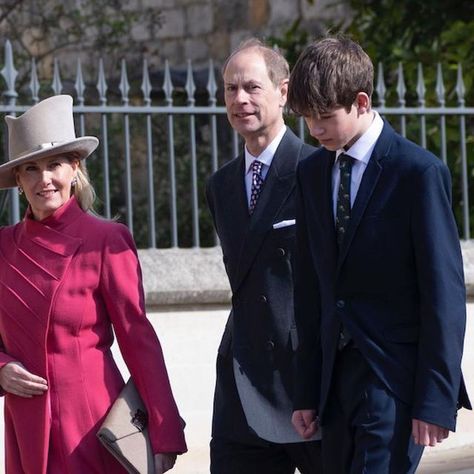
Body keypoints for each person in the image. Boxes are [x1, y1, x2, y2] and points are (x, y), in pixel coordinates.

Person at [287, 36, 471, 473]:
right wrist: (307, 392)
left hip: (394, 379)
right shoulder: (312, 173)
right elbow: (310, 291)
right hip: (334, 385)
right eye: (307, 118)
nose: (314, 129)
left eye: (325, 116)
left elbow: (443, 294)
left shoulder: (417, 172)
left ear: (362, 101)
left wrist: (435, 398)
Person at [0, 95, 187, 474]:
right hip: (25, 424)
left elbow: (138, 338)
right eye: (31, 169)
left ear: (74, 168)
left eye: (54, 164)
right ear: (18, 180)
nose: (44, 179)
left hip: (90, 424)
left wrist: (164, 431)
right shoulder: (3, 246)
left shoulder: (106, 239)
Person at [206, 38, 321, 474]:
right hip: (243, 386)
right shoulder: (220, 186)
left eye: (252, 87)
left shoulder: (317, 171)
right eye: (231, 89)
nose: (240, 99)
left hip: (307, 385)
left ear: (284, 92)